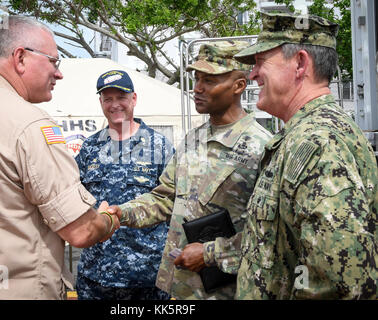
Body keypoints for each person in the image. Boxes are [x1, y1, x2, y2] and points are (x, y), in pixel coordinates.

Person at [0, 16, 121, 300]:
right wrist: (107, 219)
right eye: (54, 62)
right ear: (20, 57)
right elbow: (80, 231)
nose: (59, 74)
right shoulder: (31, 124)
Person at [110, 41, 273, 299]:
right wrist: (121, 213)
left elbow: (271, 235)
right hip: (183, 289)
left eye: (209, 80)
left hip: (231, 291)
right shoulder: (193, 139)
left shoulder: (262, 147)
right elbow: (166, 198)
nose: (197, 88)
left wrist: (211, 253)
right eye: (196, 79)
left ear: (238, 86)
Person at [233, 11, 377, 299]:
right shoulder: (304, 136)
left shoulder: (317, 142)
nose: (252, 74)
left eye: (261, 62)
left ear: (300, 63)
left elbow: (345, 284)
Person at [75, 70, 174, 300]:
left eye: (121, 97)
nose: (115, 104)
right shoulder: (90, 148)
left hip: (147, 279)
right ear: (100, 102)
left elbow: (175, 203)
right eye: (108, 99)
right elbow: (73, 196)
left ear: (134, 99)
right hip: (95, 278)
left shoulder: (159, 146)